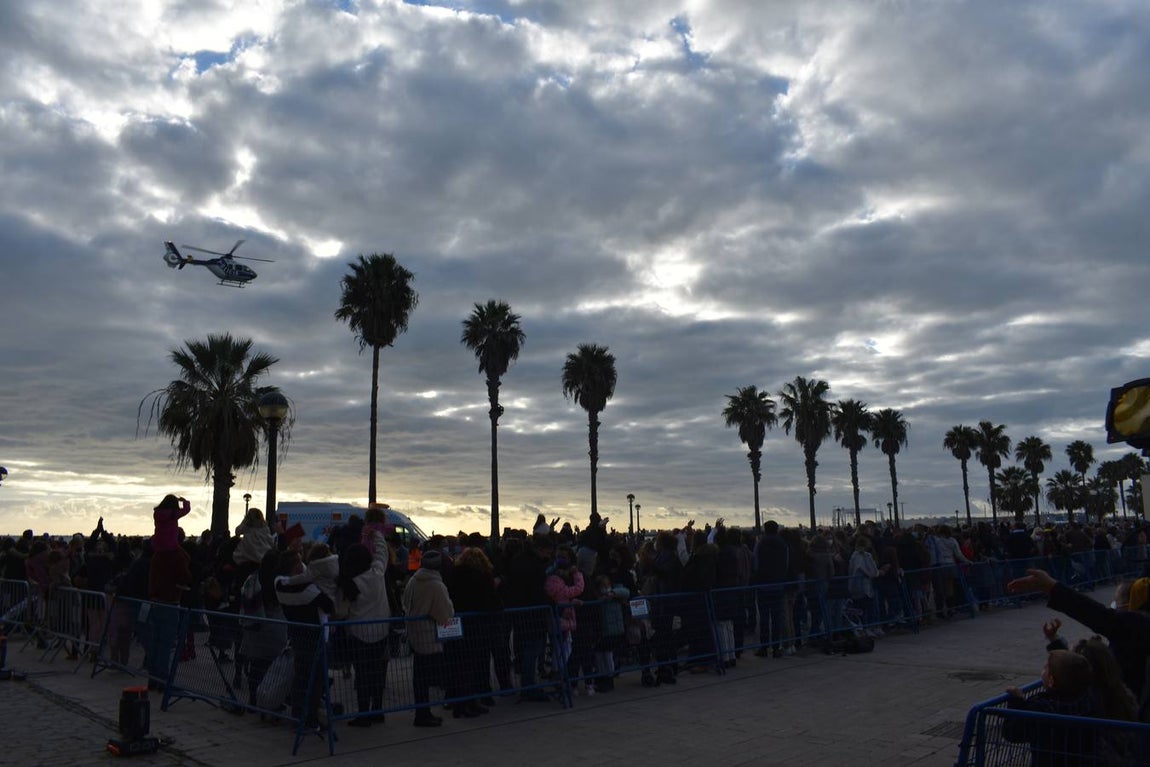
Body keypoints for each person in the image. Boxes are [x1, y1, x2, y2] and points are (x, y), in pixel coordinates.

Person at [1008, 568, 1150, 719]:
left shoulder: (1138, 627)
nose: (1114, 607)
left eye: (1118, 602)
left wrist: (1052, 586)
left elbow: (1099, 616)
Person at [1003, 650, 1099, 766]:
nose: (1042, 671)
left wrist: (1016, 701)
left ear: (1051, 681)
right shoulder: (1088, 702)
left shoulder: (1040, 708)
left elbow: (1013, 733)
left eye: (1045, 668)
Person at [335, 542, 391, 727]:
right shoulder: (377, 573)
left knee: (362, 674)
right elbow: (383, 554)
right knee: (378, 673)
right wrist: (377, 535)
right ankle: (378, 709)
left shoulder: (350, 584)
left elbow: (341, 612)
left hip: (358, 633)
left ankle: (363, 712)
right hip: (381, 630)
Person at [402, 549, 454, 727]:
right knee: (429, 676)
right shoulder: (436, 585)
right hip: (430, 635)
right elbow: (445, 614)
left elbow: (404, 602)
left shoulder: (414, 580)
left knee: (420, 678)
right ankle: (424, 714)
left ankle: (422, 712)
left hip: (415, 633)